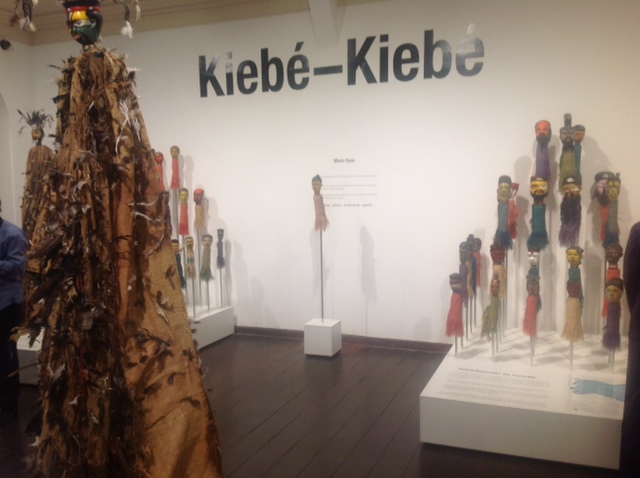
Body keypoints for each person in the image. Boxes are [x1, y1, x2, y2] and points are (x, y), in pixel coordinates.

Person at [0, 199, 28, 426]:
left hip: (7, 303)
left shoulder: (12, 234)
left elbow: (18, 265)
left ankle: (9, 406)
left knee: (6, 354)